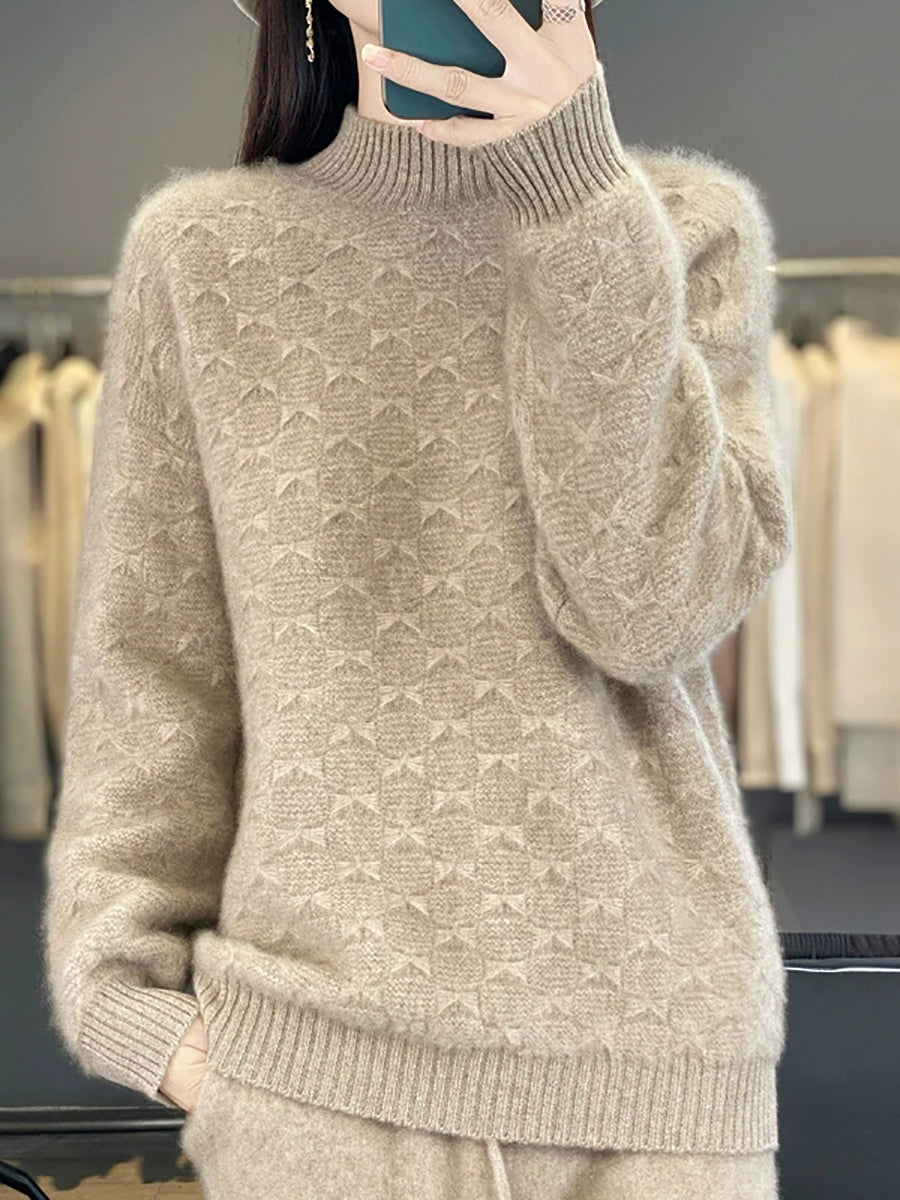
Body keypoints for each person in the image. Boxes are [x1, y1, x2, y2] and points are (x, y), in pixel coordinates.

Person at [41, 1, 793, 1197]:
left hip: (654, 1097)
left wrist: (578, 201)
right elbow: (156, 661)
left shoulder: (685, 228)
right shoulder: (203, 252)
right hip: (317, 1093)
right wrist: (126, 999)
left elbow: (651, 613)